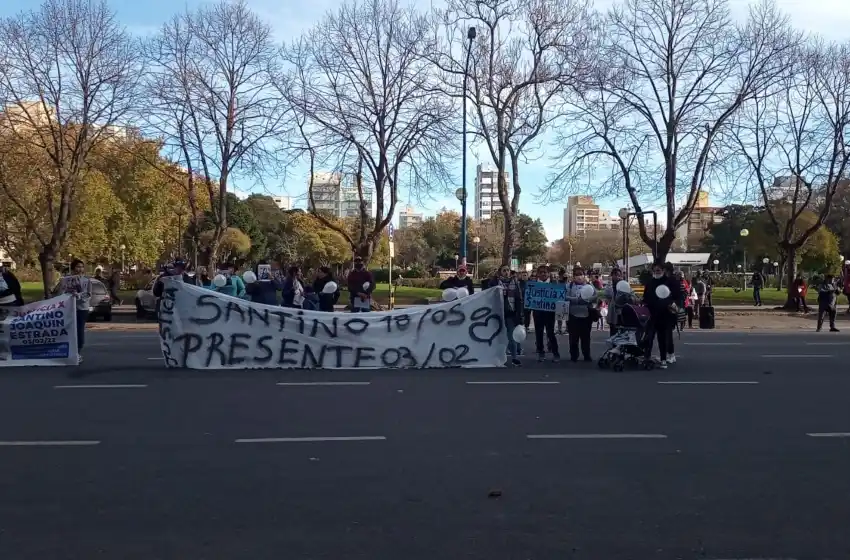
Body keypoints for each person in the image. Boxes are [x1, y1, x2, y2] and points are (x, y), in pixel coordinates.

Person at [643, 261, 681, 368]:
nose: (656, 272)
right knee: (649, 336)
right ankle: (647, 357)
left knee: (662, 338)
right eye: (654, 270)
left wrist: (673, 304)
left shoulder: (668, 282)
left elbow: (676, 296)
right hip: (652, 313)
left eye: (658, 270)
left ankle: (664, 359)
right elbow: (646, 296)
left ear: (663, 271)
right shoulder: (650, 282)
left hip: (665, 314)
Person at [59, 259, 92, 364]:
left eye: (82, 267)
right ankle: (69, 351)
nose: (80, 269)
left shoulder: (87, 281)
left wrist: (79, 296)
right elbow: (61, 293)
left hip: (81, 308)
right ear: (73, 268)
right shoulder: (66, 280)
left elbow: (88, 294)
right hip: (68, 308)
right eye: (78, 267)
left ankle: (78, 351)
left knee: (79, 329)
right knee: (69, 329)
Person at [490, 264, 523, 366]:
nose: (506, 272)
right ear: (500, 272)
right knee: (496, 336)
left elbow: (519, 299)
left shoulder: (515, 283)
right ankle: (495, 357)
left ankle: (514, 358)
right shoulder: (495, 283)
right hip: (497, 312)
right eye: (504, 270)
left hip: (510, 313)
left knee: (511, 336)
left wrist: (519, 313)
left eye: (508, 270)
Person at [565, 266, 596, 362]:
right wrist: (576, 300)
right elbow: (564, 297)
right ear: (573, 276)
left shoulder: (590, 286)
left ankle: (587, 355)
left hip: (586, 315)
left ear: (584, 276)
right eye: (576, 275)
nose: (579, 277)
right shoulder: (568, 286)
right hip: (573, 315)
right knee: (573, 338)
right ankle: (574, 355)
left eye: (581, 274)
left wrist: (586, 299)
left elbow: (595, 296)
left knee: (586, 338)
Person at [531, 265, 559, 362]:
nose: (543, 274)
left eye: (545, 272)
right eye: (541, 272)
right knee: (538, 333)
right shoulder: (533, 284)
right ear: (537, 274)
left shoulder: (554, 284)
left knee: (550, 333)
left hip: (550, 313)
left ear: (548, 274)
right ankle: (541, 353)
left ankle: (556, 353)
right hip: (538, 312)